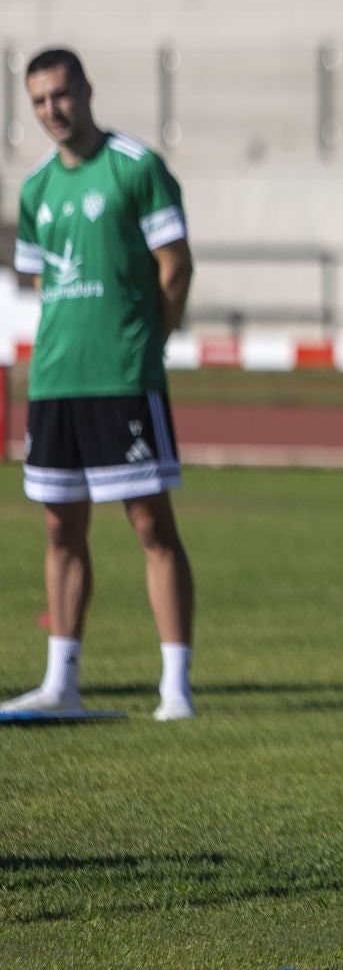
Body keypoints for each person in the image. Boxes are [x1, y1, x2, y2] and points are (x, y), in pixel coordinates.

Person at [1, 47, 198, 722]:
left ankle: (175, 688)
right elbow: (41, 282)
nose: (53, 110)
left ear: (85, 89)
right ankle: (62, 684)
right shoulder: (34, 190)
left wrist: (151, 342)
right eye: (39, 101)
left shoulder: (136, 169)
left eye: (61, 94)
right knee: (60, 528)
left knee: (151, 525)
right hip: (56, 380)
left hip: (122, 376)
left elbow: (175, 267)